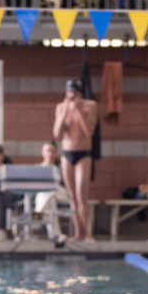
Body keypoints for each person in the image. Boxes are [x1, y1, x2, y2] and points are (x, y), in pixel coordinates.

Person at [53, 79, 98, 242]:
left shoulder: (91, 105)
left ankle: (87, 234)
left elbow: (89, 132)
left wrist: (79, 111)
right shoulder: (60, 107)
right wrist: (65, 112)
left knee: (81, 195)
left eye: (75, 93)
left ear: (80, 93)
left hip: (83, 153)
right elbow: (57, 134)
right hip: (67, 153)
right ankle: (78, 233)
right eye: (69, 92)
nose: (71, 96)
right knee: (72, 196)